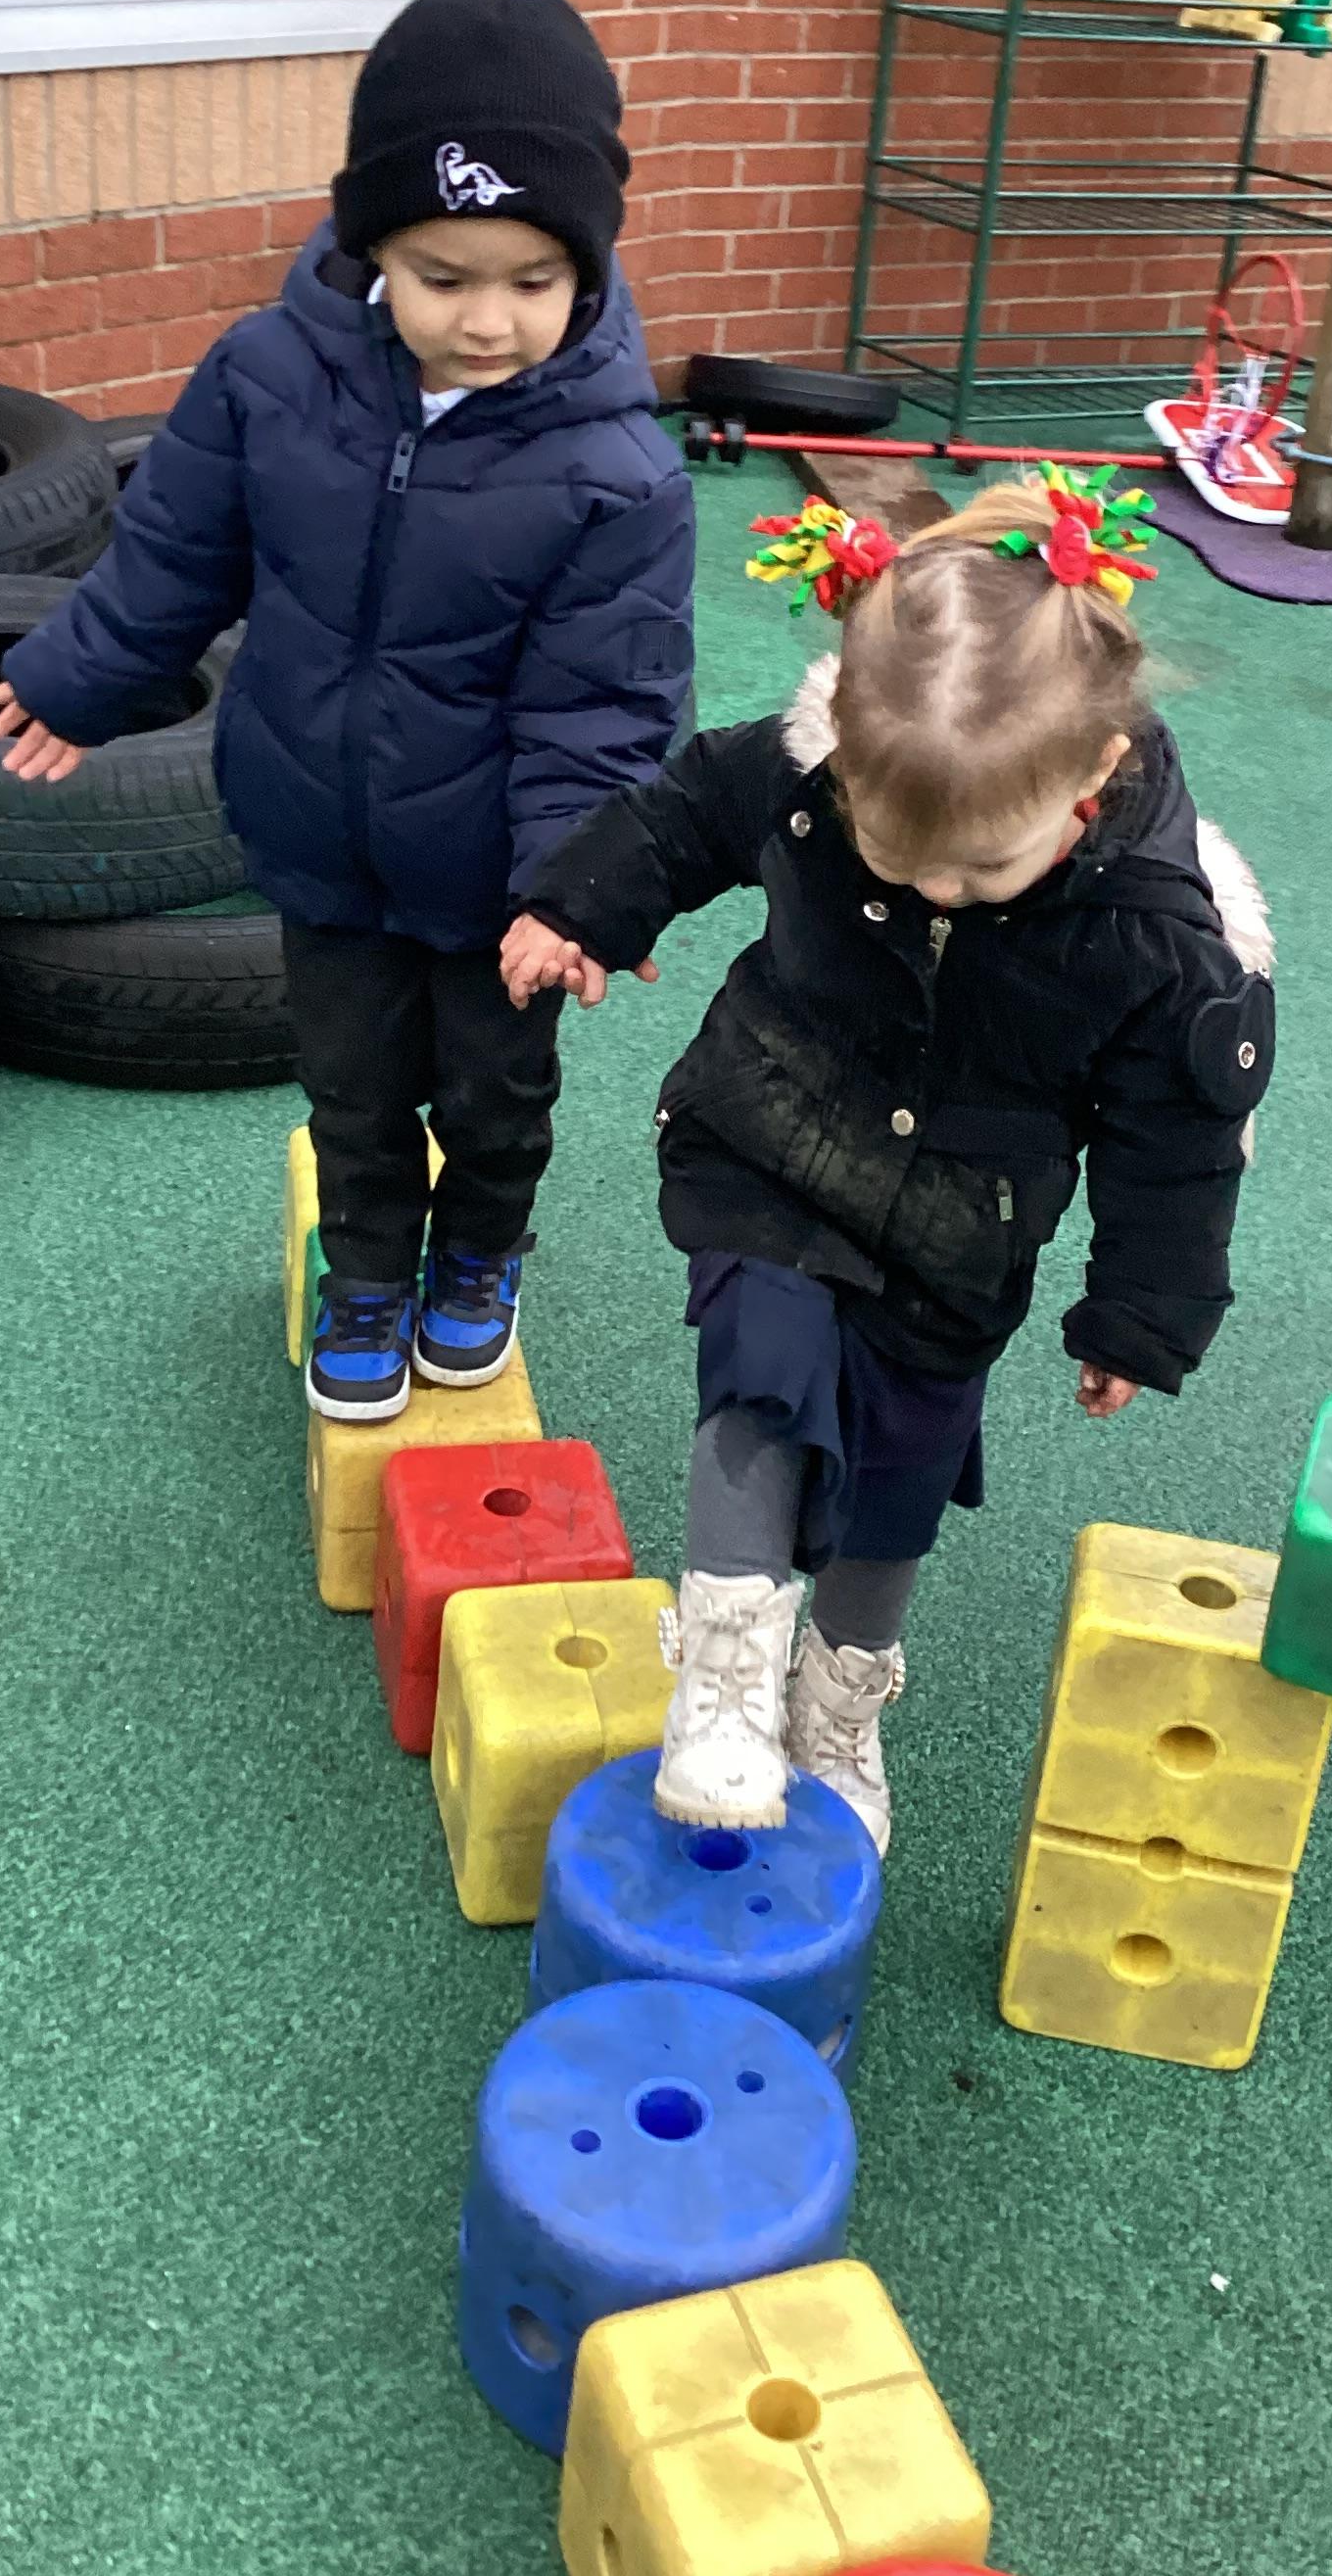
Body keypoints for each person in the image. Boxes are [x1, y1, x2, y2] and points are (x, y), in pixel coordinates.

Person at [500, 472, 1274, 1854]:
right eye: (895, 850)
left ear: (1094, 777)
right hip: (770, 1137)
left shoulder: (1159, 938)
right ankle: (725, 1679)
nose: (933, 889)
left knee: (899, 1474)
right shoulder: (811, 771)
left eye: (980, 869)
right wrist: (580, 909)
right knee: (762, 1369)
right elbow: (684, 815)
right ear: (845, 746)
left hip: (961, 1224)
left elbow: (1178, 1141)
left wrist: (1142, 1313)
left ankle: (837, 1707)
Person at [0, 0, 694, 1422]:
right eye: (444, 275)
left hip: (496, 883)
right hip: (318, 832)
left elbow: (603, 706)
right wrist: (78, 677)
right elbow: (176, 551)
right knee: (352, 1084)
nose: (486, 320)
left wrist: (578, 888)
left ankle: (478, 1256)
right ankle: (366, 1272)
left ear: (589, 265)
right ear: (373, 246)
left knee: (492, 1095)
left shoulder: (617, 473)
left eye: (533, 280)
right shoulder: (267, 375)